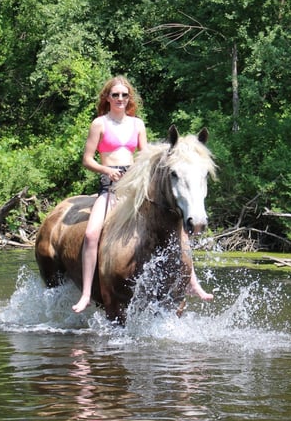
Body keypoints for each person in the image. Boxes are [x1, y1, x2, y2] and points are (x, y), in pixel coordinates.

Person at [72, 75, 213, 313]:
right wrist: (105, 169)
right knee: (91, 234)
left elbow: (145, 155)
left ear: (129, 98)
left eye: (124, 95)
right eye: (115, 95)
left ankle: (192, 282)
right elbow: (87, 160)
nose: (120, 99)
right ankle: (86, 293)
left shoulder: (137, 124)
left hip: (134, 187)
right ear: (107, 97)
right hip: (110, 186)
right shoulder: (99, 124)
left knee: (178, 229)